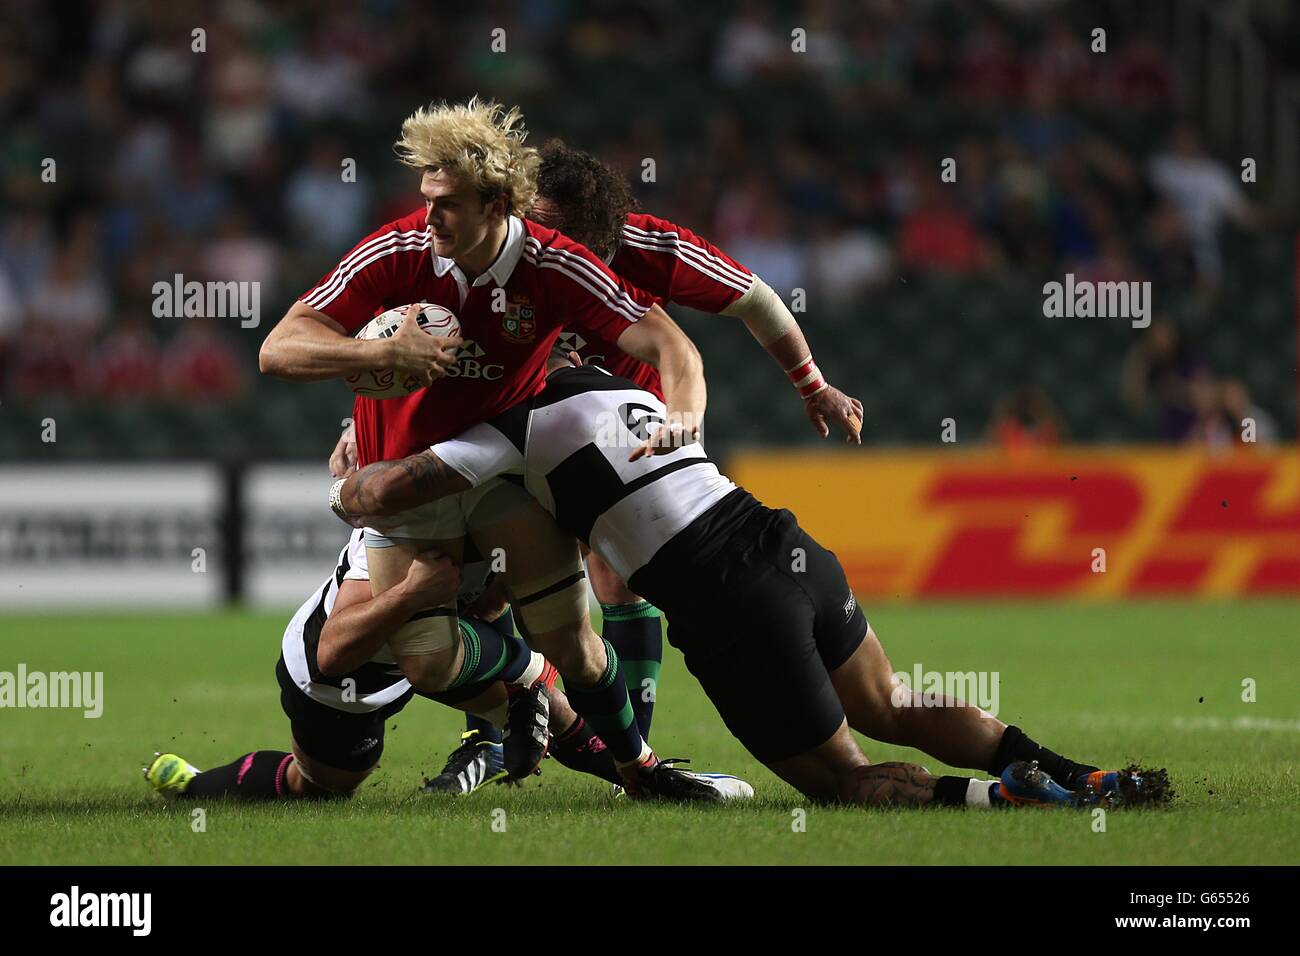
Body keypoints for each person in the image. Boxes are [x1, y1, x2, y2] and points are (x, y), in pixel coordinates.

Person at [332, 352, 1171, 809]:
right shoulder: (622, 383)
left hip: (734, 604)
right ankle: (1076, 772)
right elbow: (674, 343)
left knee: (841, 778)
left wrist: (351, 474)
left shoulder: (507, 428)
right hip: (787, 542)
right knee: (891, 705)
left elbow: (389, 493)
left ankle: (1003, 798)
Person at [259, 97, 727, 801]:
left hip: (501, 471)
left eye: (446, 203)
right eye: (425, 198)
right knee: (424, 661)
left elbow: (667, 341)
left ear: (498, 202)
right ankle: (526, 679)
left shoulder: (555, 266)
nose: (429, 217)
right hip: (405, 496)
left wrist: (685, 412)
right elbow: (278, 347)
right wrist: (377, 350)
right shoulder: (398, 251)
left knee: (577, 643)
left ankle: (642, 773)